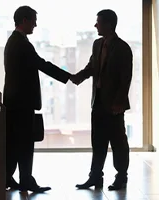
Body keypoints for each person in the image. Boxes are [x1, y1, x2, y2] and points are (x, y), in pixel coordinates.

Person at [3, 6, 72, 193]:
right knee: (25, 143)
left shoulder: (14, 41)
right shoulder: (21, 43)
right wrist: (69, 77)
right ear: (24, 20)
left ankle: (8, 177)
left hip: (15, 102)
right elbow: (41, 64)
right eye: (33, 20)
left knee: (16, 142)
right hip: (21, 103)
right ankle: (25, 180)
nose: (35, 24)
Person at [71, 9, 133, 190]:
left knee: (118, 142)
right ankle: (95, 176)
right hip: (97, 102)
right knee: (97, 141)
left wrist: (119, 102)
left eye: (98, 22)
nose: (95, 25)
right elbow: (92, 67)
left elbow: (125, 78)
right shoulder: (97, 44)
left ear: (108, 24)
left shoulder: (123, 48)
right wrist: (79, 77)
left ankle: (121, 177)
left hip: (114, 105)